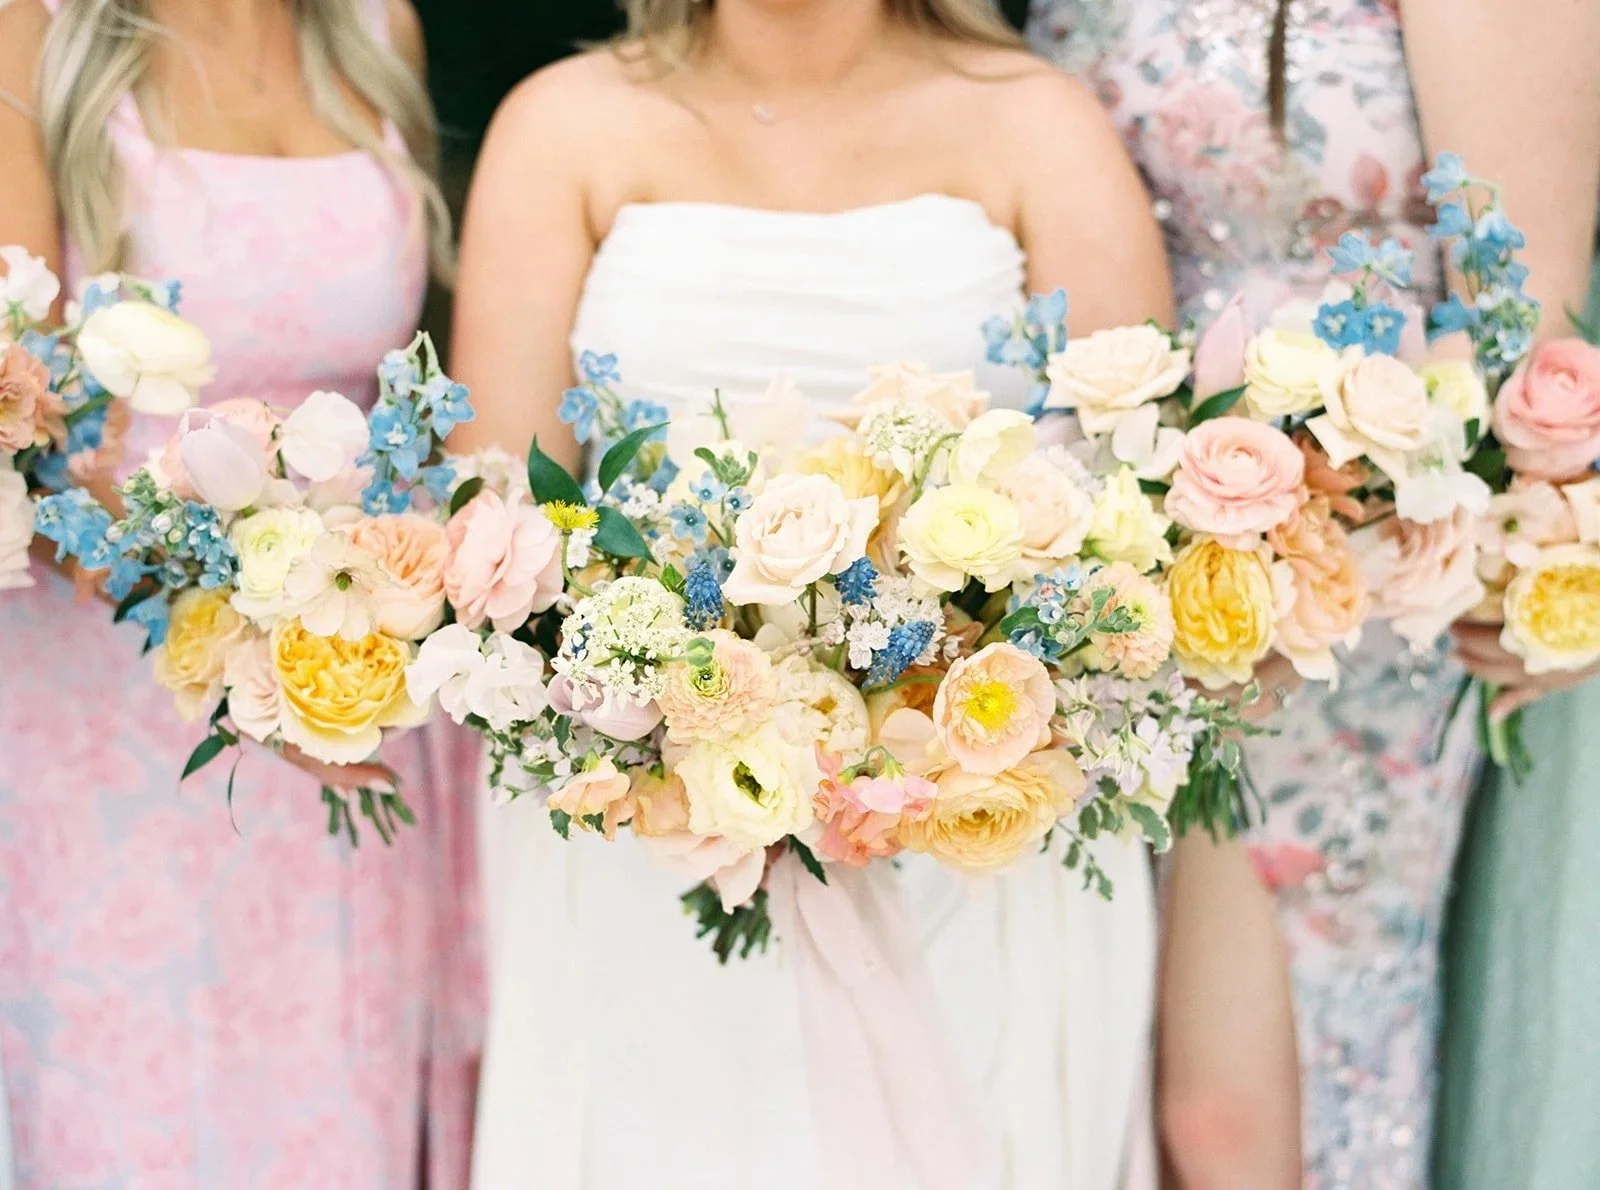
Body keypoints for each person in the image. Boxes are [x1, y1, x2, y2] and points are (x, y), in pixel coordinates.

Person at [448, 0, 1173, 1185]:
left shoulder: (1037, 124)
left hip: (965, 820)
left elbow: (1124, 519)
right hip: (653, 836)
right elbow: (503, 527)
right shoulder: (564, 126)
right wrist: (676, 706)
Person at [1028, 1, 1600, 1187]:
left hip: (1355, 560)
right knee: (1104, 1073)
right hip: (1102, 574)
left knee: (1268, 1096)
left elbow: (1515, 327)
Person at [0, 0, 482, 1184]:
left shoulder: (376, 31)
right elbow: (23, 432)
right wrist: (246, 639)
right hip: (115, 704)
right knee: (122, 1116)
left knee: (340, 1095)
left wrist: (369, 623)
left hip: (354, 683)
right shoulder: (32, 29)